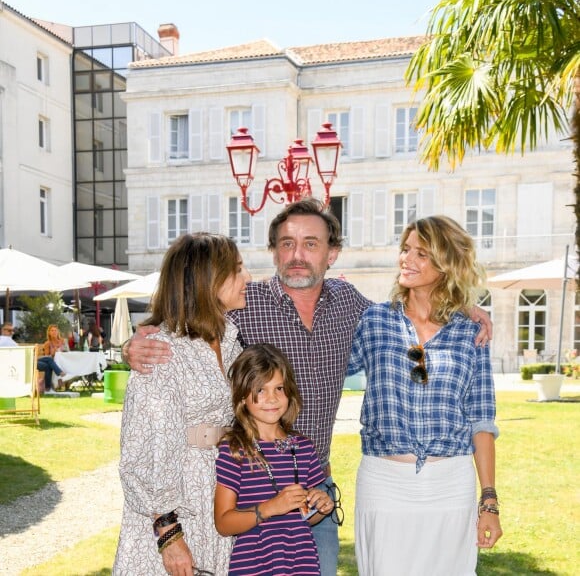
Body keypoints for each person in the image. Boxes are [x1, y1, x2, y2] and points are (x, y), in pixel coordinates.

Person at [123, 199, 493, 575]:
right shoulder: (243, 307)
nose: (296, 254)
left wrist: (464, 308)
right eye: (286, 243)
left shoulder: (352, 305)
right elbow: (185, 315)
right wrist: (133, 345)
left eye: (311, 243)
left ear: (333, 253)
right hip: (248, 486)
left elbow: (406, 321)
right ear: (273, 252)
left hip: (314, 487)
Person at [348, 215, 503, 576]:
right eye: (405, 250)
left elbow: (481, 419)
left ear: (446, 263)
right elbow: (322, 375)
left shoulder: (471, 333)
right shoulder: (373, 322)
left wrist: (489, 501)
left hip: (451, 484)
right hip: (383, 483)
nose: (406, 259)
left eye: (421, 254)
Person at [113, 232, 251, 576]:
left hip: (217, 498)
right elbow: (144, 451)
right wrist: (169, 536)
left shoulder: (230, 342)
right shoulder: (162, 350)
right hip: (175, 509)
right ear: (207, 280)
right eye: (237, 269)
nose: (248, 277)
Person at [215, 343, 335, 575]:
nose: (272, 398)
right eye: (261, 390)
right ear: (242, 398)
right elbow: (223, 523)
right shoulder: (235, 450)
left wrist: (321, 507)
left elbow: (303, 519)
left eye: (279, 388)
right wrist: (270, 508)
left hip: (301, 564)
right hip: (254, 566)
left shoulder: (304, 449)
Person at [37, 324, 67, 392]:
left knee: (48, 366)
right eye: (52, 331)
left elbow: (67, 351)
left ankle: (48, 388)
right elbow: (46, 357)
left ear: (58, 332)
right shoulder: (47, 343)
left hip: (63, 361)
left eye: (55, 330)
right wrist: (53, 353)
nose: (54, 332)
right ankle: (60, 373)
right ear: (49, 333)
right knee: (49, 360)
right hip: (53, 361)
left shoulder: (62, 341)